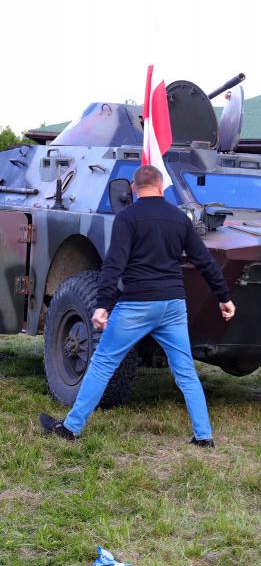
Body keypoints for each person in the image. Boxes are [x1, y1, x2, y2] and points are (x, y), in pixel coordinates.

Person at [39, 165, 235, 445]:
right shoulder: (180, 219)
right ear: (161, 186)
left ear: (133, 188)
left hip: (136, 305)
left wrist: (102, 305)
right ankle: (204, 436)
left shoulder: (127, 218)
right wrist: (224, 297)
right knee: (185, 372)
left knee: (103, 363)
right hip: (173, 306)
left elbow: (114, 264)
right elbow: (204, 261)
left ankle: (71, 428)